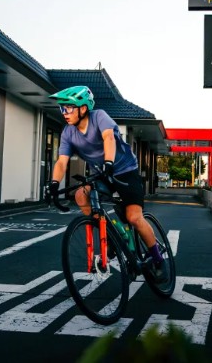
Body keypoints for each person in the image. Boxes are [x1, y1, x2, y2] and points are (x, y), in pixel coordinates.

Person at [44, 85, 168, 283]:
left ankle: (158, 259)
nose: (64, 113)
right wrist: (53, 184)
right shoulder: (68, 132)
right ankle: (109, 236)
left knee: (134, 217)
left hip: (125, 171)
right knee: (80, 195)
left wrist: (109, 162)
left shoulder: (99, 116)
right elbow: (62, 161)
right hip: (101, 174)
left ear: (83, 108)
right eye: (62, 109)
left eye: (68, 108)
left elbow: (108, 137)